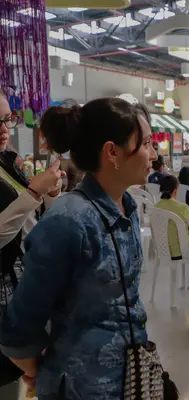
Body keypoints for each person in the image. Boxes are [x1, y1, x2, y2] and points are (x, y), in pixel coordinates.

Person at [0, 98, 158, 399]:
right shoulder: (69, 222)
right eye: (146, 143)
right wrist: (42, 373)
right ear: (112, 152)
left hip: (128, 376)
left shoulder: (126, 207)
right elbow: (19, 329)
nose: (153, 154)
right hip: (82, 385)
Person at [0, 89, 63, 396]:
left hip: (24, 275)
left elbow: (34, 217)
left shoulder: (9, 161)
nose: (4, 130)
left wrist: (50, 194)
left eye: (7, 120)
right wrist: (34, 194)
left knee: (22, 365)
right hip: (5, 281)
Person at [155, 175, 189, 288]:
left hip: (162, 251)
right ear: (175, 190)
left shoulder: (154, 208)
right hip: (181, 251)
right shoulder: (183, 207)